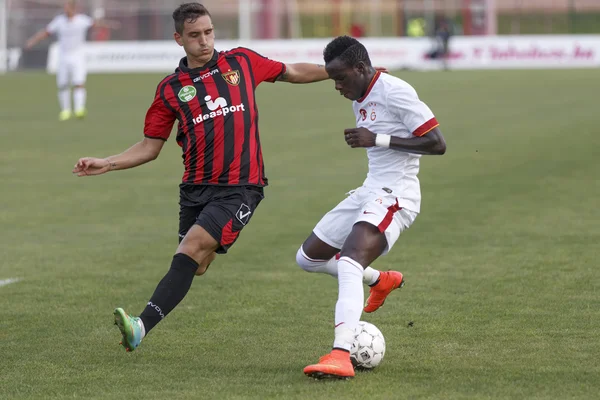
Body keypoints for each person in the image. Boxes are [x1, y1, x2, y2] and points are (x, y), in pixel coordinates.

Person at [72, 2, 345, 353]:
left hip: (240, 187)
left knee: (190, 249)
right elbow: (149, 146)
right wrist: (107, 163)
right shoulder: (170, 89)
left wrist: (338, 71)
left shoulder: (241, 62)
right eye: (195, 35)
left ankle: (140, 326)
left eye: (208, 32)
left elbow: (291, 71)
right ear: (178, 39)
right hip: (194, 189)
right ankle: (371, 277)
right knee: (197, 265)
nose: (204, 41)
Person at [301, 36, 446, 379]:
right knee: (308, 258)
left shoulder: (396, 91)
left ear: (361, 68)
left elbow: (438, 144)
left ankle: (340, 354)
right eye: (333, 79)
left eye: (340, 78)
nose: (336, 86)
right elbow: (370, 88)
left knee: (349, 261)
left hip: (397, 196)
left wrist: (376, 138)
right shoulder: (362, 93)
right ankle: (380, 280)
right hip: (370, 191)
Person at [24, 0, 117, 121]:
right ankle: (65, 111)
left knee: (79, 83)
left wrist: (110, 24)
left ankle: (79, 109)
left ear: (73, 8)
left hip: (78, 56)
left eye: (67, 7)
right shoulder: (59, 21)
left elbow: (96, 24)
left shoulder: (82, 20)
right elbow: (46, 32)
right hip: (63, 57)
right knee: (63, 84)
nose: (65, 9)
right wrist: (32, 41)